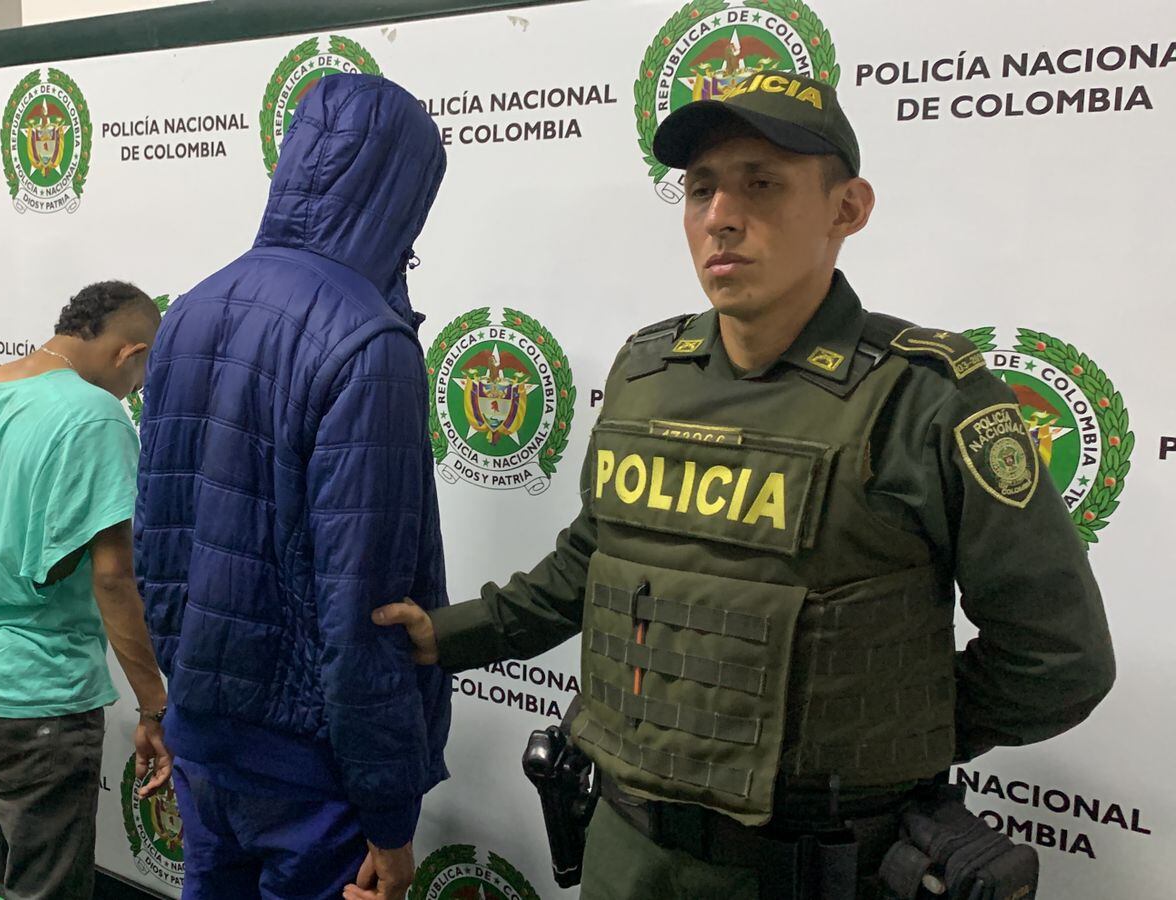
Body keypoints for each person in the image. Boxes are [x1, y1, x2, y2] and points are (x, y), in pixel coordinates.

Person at [374, 72, 1115, 899]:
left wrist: (879, 737)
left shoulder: (927, 399)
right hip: (627, 850)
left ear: (847, 209)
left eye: (762, 184)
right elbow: (592, 561)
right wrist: (451, 634)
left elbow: (1058, 658)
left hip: (812, 868)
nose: (721, 216)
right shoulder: (647, 373)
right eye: (701, 189)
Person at [134, 73, 451, 900]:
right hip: (311, 776)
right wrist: (389, 813)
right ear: (405, 190)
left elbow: (157, 544)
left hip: (206, 745)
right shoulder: (369, 340)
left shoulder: (190, 310)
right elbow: (364, 610)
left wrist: (184, 702)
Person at [0, 281, 170, 900]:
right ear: (129, 353)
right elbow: (113, 576)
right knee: (45, 888)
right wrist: (154, 703)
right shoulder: (95, 415)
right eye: (140, 377)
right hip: (34, 694)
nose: (133, 391)